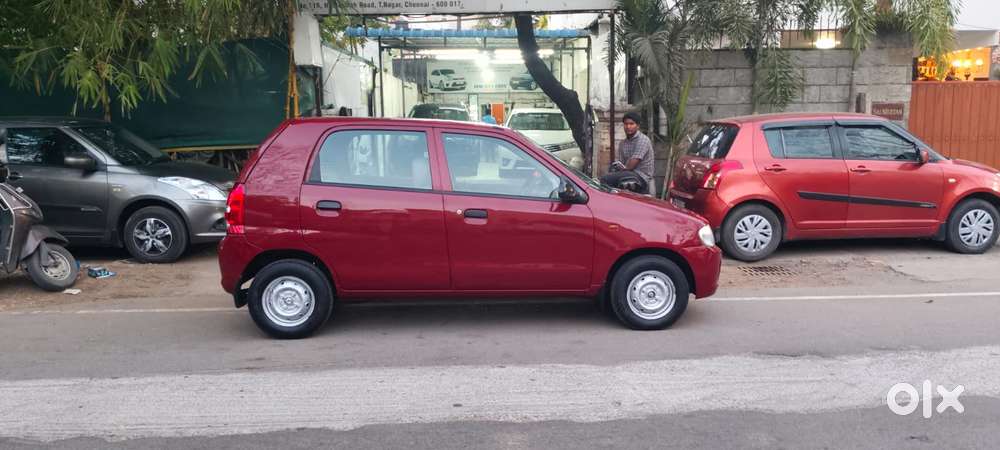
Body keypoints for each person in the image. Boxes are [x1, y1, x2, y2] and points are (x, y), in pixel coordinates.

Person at [606, 111, 656, 195]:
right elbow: (621, 163)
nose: (628, 126)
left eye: (631, 124)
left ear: (638, 126)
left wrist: (621, 170)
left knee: (605, 179)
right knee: (611, 172)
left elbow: (631, 166)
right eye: (626, 124)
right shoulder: (623, 143)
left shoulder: (643, 140)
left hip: (641, 176)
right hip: (628, 173)